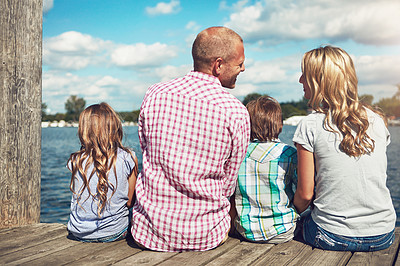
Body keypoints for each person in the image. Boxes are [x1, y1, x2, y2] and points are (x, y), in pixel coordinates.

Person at [131, 26, 251, 252]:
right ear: (218, 65)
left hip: (148, 232)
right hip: (205, 235)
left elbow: (146, 151)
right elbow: (228, 182)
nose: (243, 68)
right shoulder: (235, 111)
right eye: (240, 63)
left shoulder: (155, 94)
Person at [293, 46, 396, 251]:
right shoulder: (377, 121)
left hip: (330, 235)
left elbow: (305, 195)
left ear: (318, 80)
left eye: (304, 74)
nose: (300, 80)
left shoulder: (310, 124)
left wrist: (289, 211)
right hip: (383, 235)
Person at [67, 102, 138, 242]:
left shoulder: (75, 160)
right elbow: (130, 202)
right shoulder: (128, 157)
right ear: (115, 127)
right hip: (115, 232)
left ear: (84, 130)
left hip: (78, 232)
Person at [231, 96, 298, 243]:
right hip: (283, 231)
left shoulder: (238, 153)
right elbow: (302, 190)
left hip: (245, 231)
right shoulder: (289, 154)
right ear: (278, 124)